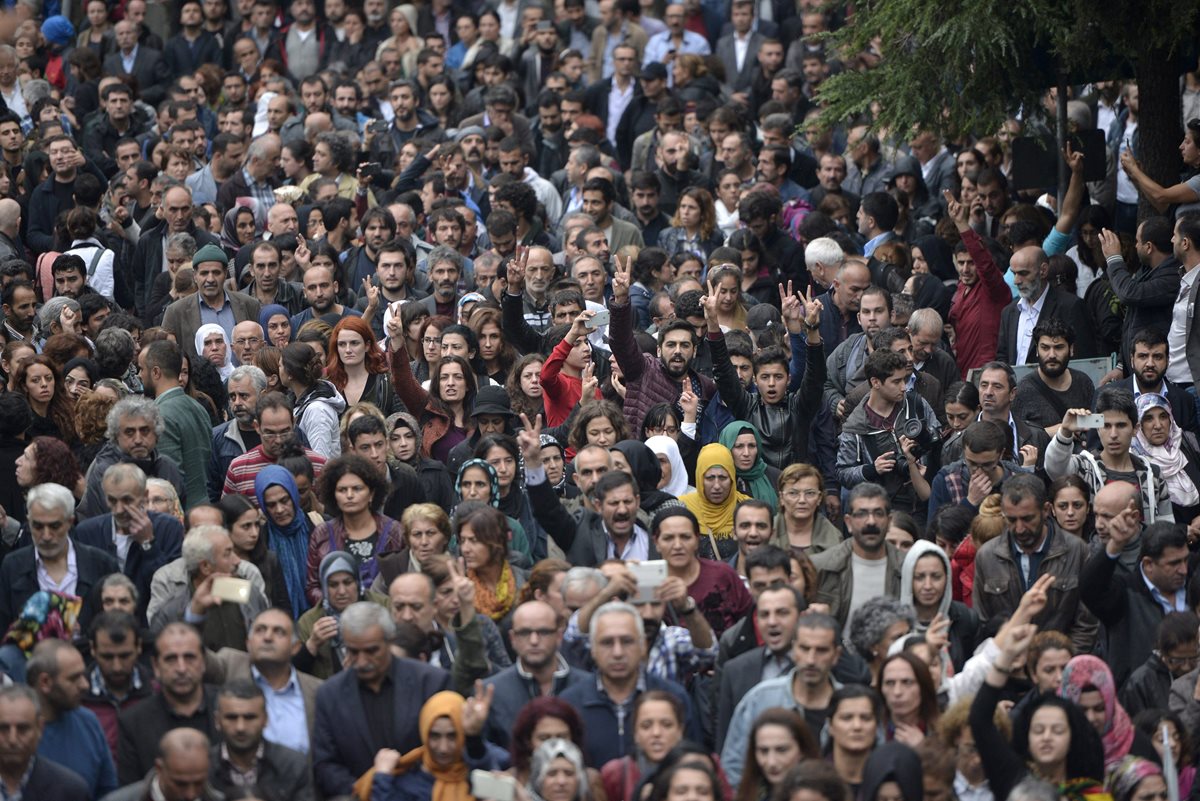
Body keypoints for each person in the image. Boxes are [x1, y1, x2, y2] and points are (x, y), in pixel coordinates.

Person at [311, 601, 452, 798]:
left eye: (371, 651)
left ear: (389, 641)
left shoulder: (430, 682)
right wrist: (363, 791)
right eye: (353, 652)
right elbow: (325, 764)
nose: (361, 661)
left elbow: (448, 751)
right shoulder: (329, 694)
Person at [969, 600, 1106, 801]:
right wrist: (1006, 656)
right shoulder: (1013, 778)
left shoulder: (1089, 790)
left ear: (1072, 737)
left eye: (1058, 730)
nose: (1047, 737)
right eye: (1038, 730)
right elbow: (979, 720)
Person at [971, 473, 1098, 652]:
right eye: (1012, 520)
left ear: (1046, 510)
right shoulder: (987, 556)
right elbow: (983, 622)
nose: (1020, 529)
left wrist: (1059, 665)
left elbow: (1086, 623)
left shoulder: (1077, 551)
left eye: (1027, 519)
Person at [559, 600, 694, 767]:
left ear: (643, 645)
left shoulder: (674, 698)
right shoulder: (570, 704)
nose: (618, 652)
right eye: (607, 643)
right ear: (592, 648)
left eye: (627, 641)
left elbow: (692, 762)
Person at [721, 614, 844, 784]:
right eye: (804, 648)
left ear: (836, 655)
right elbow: (734, 768)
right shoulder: (760, 699)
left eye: (821, 650)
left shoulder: (850, 706)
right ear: (793, 650)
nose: (811, 660)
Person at [72, 462, 185, 624]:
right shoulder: (87, 531)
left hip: (150, 624)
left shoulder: (168, 528)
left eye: (127, 500)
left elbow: (170, 590)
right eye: (112, 500)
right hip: (101, 626)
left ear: (144, 496)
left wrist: (148, 544)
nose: (118, 509)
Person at [0, 483, 118, 636]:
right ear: (28, 521)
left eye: (55, 526)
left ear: (70, 522)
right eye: (37, 526)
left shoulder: (101, 564)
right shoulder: (13, 566)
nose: (46, 536)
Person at [1047, 388, 1174, 523]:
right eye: (1106, 426)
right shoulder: (1085, 467)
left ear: (1135, 429)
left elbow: (1166, 525)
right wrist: (1065, 431)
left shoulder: (1153, 473)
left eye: (1121, 425)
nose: (1113, 434)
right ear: (1098, 428)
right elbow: (1054, 468)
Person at [116, 623, 219, 785]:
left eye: (189, 657)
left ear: (203, 662)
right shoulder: (133, 722)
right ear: (156, 666)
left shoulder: (228, 708)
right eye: (171, 659)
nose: (181, 668)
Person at [305, 454, 404, 606]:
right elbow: (312, 587)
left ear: (371, 494)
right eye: (342, 490)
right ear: (334, 495)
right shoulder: (322, 533)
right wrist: (336, 602)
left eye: (357, 489)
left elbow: (406, 582)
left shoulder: (394, 532)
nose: (349, 495)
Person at [810, 483, 904, 629]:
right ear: (848, 522)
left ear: (889, 521)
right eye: (862, 514)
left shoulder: (907, 567)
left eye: (878, 513)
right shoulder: (822, 566)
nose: (871, 521)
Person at [208, 678, 316, 801]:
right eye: (231, 717)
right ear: (217, 720)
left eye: (250, 717)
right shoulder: (203, 767)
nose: (240, 727)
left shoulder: (293, 765)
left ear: (265, 719)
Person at [139, 340, 213, 510]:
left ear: (156, 372)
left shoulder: (159, 414)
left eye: (142, 369)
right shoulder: (198, 407)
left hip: (182, 515)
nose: (139, 375)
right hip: (204, 507)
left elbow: (171, 478)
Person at [0, 685, 92, 801]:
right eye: (3, 728)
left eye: (23, 729)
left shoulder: (70, 791)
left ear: (40, 728)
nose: (12, 739)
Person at [899, 540, 979, 670]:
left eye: (936, 577)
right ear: (909, 579)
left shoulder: (966, 619)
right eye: (919, 577)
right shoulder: (895, 623)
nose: (928, 586)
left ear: (947, 578)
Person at [280, 341, 347, 458]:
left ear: (290, 373)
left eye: (280, 365)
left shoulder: (317, 411)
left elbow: (320, 459)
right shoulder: (295, 402)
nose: (278, 369)